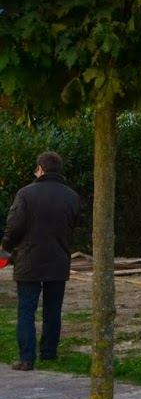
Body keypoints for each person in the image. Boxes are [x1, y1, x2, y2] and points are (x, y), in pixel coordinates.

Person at [3, 152, 81, 371]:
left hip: (30, 260)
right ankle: (49, 352)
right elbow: (73, 225)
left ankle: (27, 358)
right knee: (53, 309)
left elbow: (14, 226)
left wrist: (6, 246)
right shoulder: (72, 196)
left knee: (26, 309)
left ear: (40, 169)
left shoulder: (25, 194)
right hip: (59, 260)